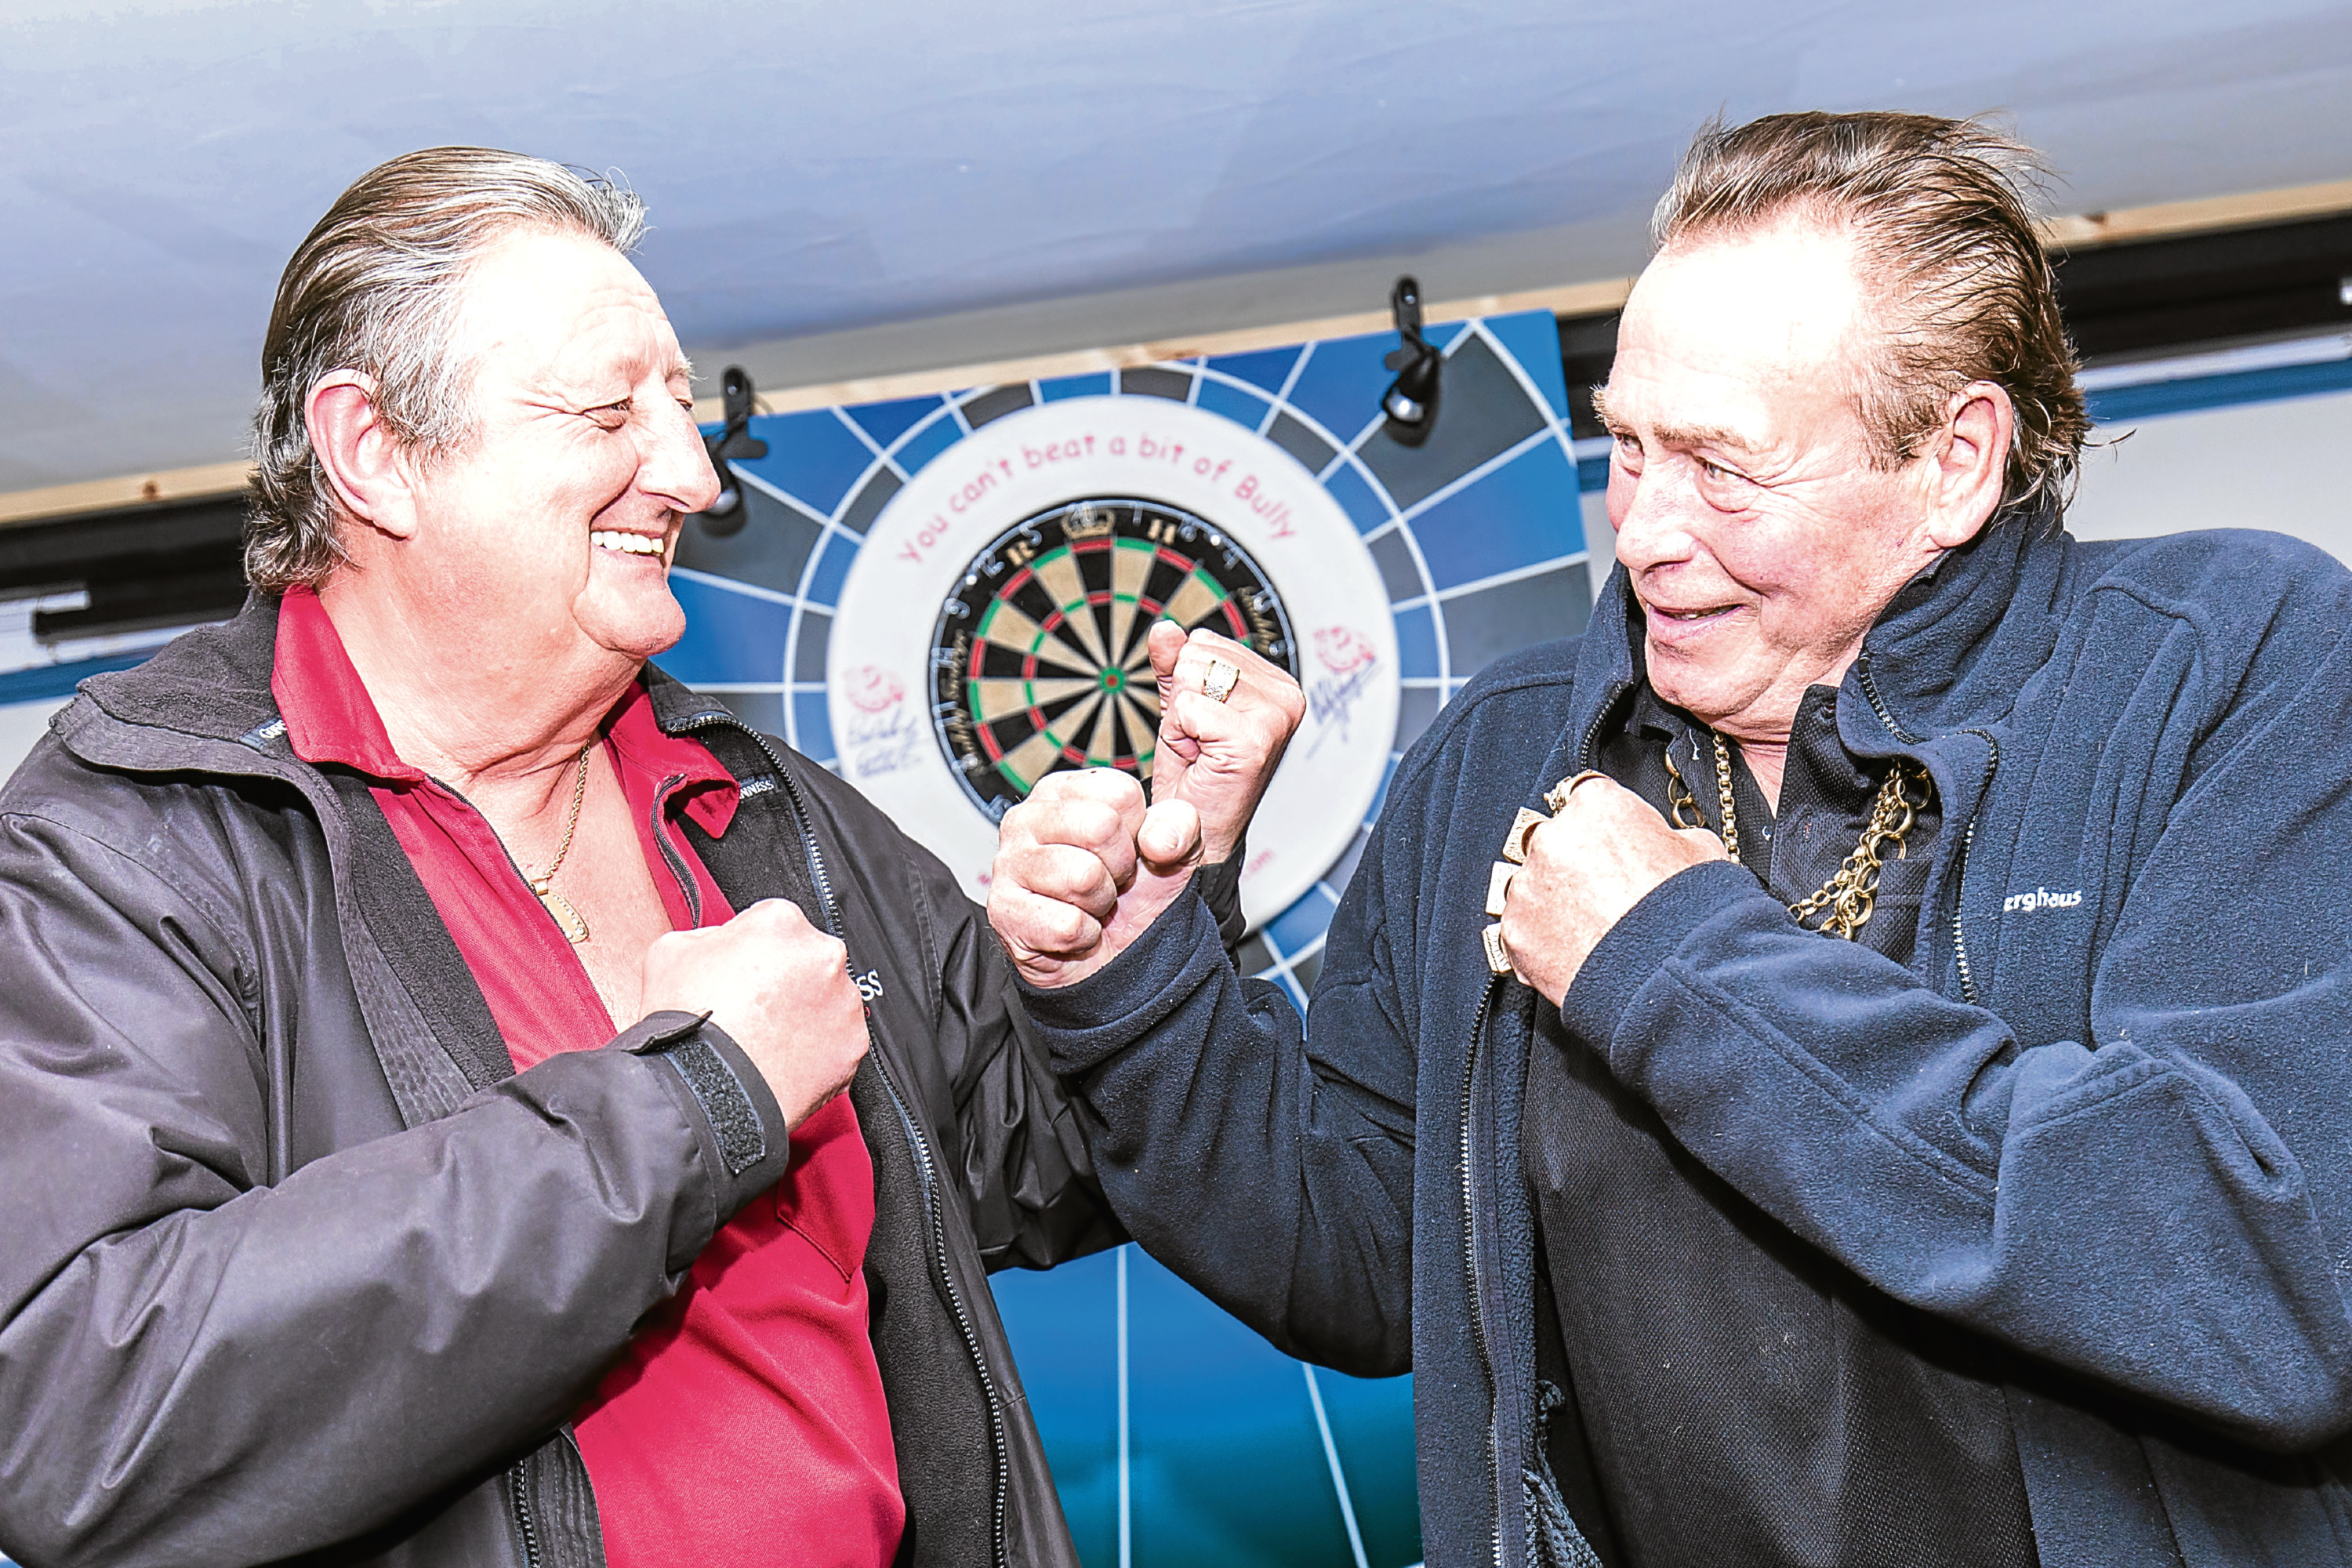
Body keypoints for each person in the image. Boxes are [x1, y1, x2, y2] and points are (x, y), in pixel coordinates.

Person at [989, 111, 2352, 1568]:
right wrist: (1144, 984)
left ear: (1956, 460)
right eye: (1628, 448)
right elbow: (1374, 1262)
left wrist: (1668, 961)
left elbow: (2263, 1283)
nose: (1642, 531)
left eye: (1723, 465)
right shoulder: (1505, 751)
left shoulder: (2229, 660)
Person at [0, 147, 1298, 1568]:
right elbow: (82, 1415)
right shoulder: (137, 836)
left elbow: (1033, 1162)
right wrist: (694, 1099)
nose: (689, 472)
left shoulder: (751, 805)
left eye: (680, 405)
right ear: (375, 452)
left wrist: (1129, 949)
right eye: (610, 410)